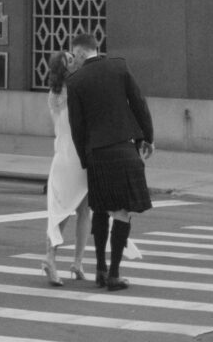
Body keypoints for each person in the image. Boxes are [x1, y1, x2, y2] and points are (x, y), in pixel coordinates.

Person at [65, 27, 154, 292]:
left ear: (81, 52)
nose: (74, 60)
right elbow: (138, 103)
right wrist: (146, 137)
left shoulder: (76, 82)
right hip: (123, 150)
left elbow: (76, 127)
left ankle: (101, 270)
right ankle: (115, 274)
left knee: (101, 209)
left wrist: (85, 159)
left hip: (97, 154)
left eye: (74, 55)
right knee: (122, 212)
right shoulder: (119, 68)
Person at [42, 51, 89, 285]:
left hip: (61, 155)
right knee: (81, 210)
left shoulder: (54, 93)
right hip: (77, 156)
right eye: (71, 60)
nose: (75, 61)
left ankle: (56, 257)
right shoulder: (76, 90)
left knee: (64, 209)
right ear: (66, 68)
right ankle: (73, 261)